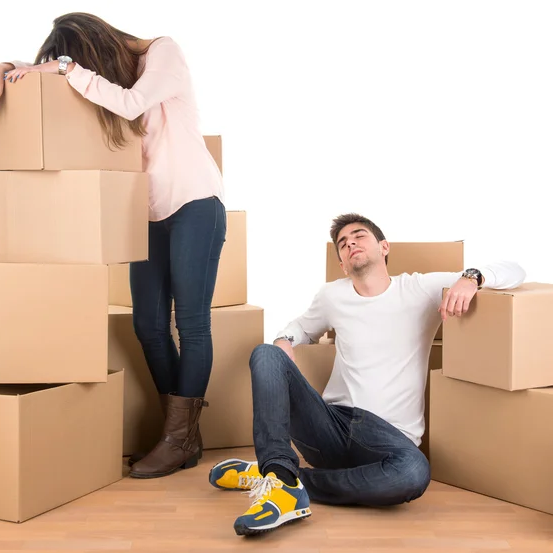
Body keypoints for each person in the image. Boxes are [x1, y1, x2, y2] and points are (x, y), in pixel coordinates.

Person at [0, 13, 226, 479]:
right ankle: (183, 436)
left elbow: (132, 104)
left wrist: (67, 68)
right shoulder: (96, 77)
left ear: (94, 51)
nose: (75, 68)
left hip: (194, 204)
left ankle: (178, 438)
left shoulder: (162, 53)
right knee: (147, 325)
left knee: (190, 323)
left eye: (76, 60)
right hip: (144, 213)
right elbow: (48, 78)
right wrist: (1, 64)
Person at [208, 212, 526, 536]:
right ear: (344, 264)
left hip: (388, 438)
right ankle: (280, 474)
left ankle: (286, 480)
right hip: (331, 426)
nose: (350, 244)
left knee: (414, 473)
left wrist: (471, 277)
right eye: (343, 244)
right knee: (266, 354)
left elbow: (516, 270)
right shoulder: (333, 295)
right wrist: (284, 341)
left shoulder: (420, 288)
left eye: (359, 236)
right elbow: (300, 327)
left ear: (383, 246)